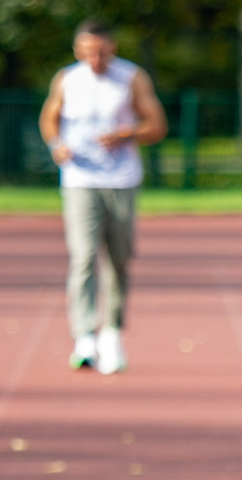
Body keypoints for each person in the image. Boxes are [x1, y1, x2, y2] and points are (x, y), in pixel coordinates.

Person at [39, 20, 167, 375]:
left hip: (121, 179)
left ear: (112, 48)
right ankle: (84, 336)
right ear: (78, 50)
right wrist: (56, 146)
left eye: (101, 51)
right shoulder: (67, 79)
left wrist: (127, 133)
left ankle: (112, 332)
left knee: (119, 257)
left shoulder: (131, 78)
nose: (95, 58)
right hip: (80, 179)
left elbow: (157, 125)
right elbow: (49, 118)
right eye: (88, 51)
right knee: (83, 256)